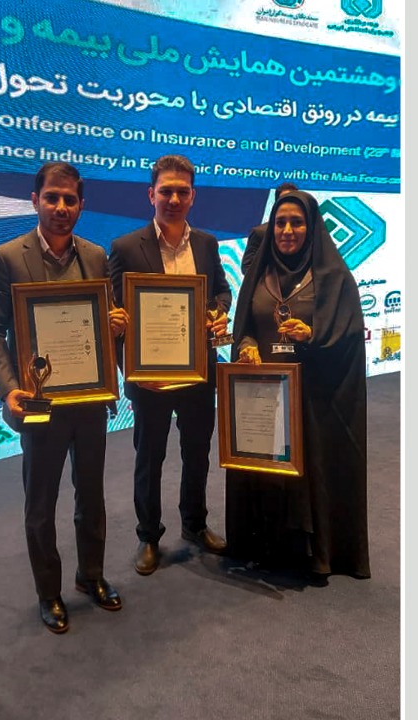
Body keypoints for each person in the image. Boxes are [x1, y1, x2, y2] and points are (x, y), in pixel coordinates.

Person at [0, 161, 128, 634]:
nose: (61, 207)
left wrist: (115, 326)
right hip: (40, 403)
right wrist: (9, 388)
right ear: (35, 200)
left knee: (92, 495)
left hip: (89, 400)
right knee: (40, 504)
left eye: (70, 199)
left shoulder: (96, 256)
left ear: (81, 205)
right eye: (52, 198)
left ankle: (91, 575)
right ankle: (49, 592)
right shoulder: (7, 257)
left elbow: (100, 323)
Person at [226, 190, 370, 581]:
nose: (287, 230)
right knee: (267, 468)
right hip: (267, 392)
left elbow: (350, 337)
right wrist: (248, 345)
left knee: (311, 469)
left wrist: (313, 335)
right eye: (280, 223)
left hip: (315, 399)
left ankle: (317, 552)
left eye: (297, 222)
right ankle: (267, 545)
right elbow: (246, 326)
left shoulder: (335, 278)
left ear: (312, 227)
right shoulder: (259, 272)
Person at [108, 155, 231, 576]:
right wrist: (129, 367)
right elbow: (114, 313)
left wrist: (218, 312)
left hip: (199, 372)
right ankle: (148, 535)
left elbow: (222, 291)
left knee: (197, 453)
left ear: (193, 196)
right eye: (166, 191)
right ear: (151, 194)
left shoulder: (207, 244)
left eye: (182, 192)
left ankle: (195, 524)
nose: (174, 199)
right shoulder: (126, 248)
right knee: (150, 457)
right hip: (151, 379)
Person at [240, 182, 299, 275]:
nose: (289, 205)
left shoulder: (306, 232)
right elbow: (247, 267)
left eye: (293, 200)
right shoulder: (260, 233)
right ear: (276, 204)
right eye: (285, 200)